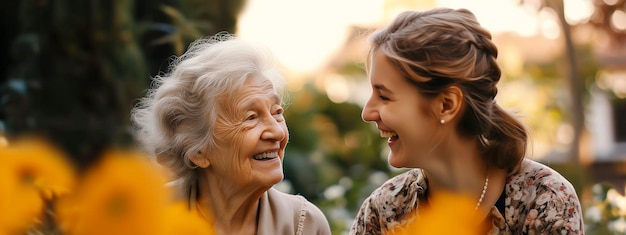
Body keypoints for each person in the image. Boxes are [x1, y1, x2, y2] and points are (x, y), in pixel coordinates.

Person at [350, 8, 583, 234]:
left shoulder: (544, 200)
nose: (367, 113)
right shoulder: (382, 212)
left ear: (447, 105)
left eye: (384, 96)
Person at [131, 33, 332, 235]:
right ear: (197, 150)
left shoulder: (305, 225)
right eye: (251, 117)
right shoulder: (146, 219)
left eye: (277, 112)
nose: (277, 132)